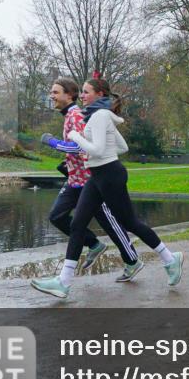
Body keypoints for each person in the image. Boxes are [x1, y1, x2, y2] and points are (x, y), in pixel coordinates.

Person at [30, 75, 183, 298]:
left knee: (130, 222)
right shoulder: (96, 116)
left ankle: (170, 259)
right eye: (80, 92)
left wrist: (72, 137)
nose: (81, 96)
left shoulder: (100, 115)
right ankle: (63, 281)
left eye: (85, 92)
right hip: (97, 176)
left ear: (99, 95)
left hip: (110, 175)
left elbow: (97, 150)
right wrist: (99, 147)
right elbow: (122, 147)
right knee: (78, 225)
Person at [42, 77, 142, 282]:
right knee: (57, 216)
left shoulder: (77, 115)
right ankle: (94, 244)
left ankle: (132, 260)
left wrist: (53, 142)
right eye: (51, 92)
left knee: (111, 222)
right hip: (74, 180)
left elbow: (80, 147)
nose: (51, 96)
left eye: (55, 92)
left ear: (69, 95)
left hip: (91, 179)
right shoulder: (68, 115)